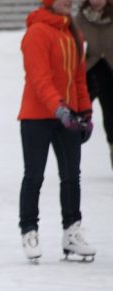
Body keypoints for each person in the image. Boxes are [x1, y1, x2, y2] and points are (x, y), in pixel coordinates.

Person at [17, 0, 95, 263]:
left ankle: (72, 231)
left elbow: (79, 77)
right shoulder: (37, 32)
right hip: (37, 117)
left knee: (72, 176)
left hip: (68, 117)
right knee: (34, 176)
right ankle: (29, 230)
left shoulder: (74, 32)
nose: (69, 1)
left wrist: (84, 111)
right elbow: (39, 78)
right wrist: (58, 108)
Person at [78, 0, 113, 169]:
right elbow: (74, 41)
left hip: (111, 69)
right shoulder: (82, 17)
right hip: (91, 68)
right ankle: (69, 148)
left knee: (111, 116)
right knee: (77, 111)